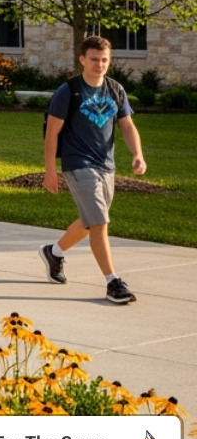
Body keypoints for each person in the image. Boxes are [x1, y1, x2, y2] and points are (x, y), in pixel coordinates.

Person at [39, 36, 146, 304]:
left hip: (106, 165)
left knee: (90, 221)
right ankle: (112, 282)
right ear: (83, 60)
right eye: (94, 59)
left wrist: (137, 154)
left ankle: (54, 252)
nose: (99, 65)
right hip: (78, 164)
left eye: (104, 60)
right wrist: (50, 170)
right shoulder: (68, 91)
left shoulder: (115, 89)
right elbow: (52, 133)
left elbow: (127, 125)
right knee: (99, 222)